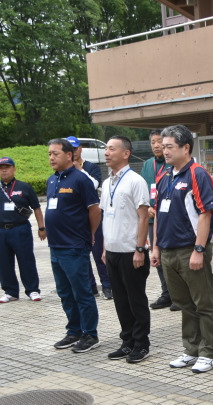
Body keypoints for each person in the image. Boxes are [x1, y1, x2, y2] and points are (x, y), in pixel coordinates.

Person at [150, 125, 213, 373]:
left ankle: (209, 352)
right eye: (163, 146)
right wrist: (155, 248)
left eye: (169, 146)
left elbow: (205, 214)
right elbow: (158, 214)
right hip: (167, 251)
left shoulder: (197, 174)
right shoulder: (164, 176)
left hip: (190, 249)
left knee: (204, 303)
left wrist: (199, 250)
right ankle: (191, 349)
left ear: (185, 147)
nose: (164, 151)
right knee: (184, 303)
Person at [46, 138, 102, 353]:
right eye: (49, 154)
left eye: (56, 153)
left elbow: (94, 209)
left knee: (82, 292)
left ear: (69, 155)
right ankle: (74, 330)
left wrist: (90, 234)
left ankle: (90, 334)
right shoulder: (52, 180)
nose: (51, 157)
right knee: (65, 292)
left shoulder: (80, 179)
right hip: (56, 246)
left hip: (74, 246)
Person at [100, 136, 152, 363]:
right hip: (112, 251)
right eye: (106, 149)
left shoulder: (135, 181)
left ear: (126, 153)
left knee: (135, 300)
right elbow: (106, 216)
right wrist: (105, 248)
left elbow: (143, 217)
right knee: (120, 300)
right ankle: (127, 341)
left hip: (132, 252)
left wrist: (140, 248)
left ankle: (141, 344)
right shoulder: (106, 183)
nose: (106, 153)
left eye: (111, 149)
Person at [0, 157, 45, 303]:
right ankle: (10, 291)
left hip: (20, 229)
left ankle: (32, 290)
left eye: (7, 167)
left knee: (26, 260)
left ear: (14, 169)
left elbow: (37, 208)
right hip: (0, 231)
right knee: (4, 262)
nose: (4, 170)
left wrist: (41, 227)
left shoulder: (24, 187)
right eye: (1, 168)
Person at [66, 136, 113, 300]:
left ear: (80, 149)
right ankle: (91, 287)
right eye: (69, 149)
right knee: (82, 255)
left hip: (94, 215)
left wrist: (79, 169)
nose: (73, 152)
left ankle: (107, 286)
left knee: (98, 252)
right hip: (77, 219)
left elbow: (94, 185)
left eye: (75, 149)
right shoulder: (64, 171)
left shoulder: (91, 167)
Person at [141, 129, 176, 310]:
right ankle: (166, 293)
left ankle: (179, 295)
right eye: (153, 142)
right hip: (152, 218)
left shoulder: (173, 162)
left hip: (169, 217)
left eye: (159, 141)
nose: (156, 145)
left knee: (173, 256)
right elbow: (143, 189)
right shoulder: (148, 164)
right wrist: (148, 206)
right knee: (157, 257)